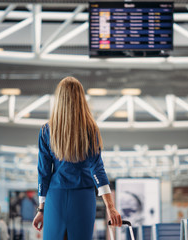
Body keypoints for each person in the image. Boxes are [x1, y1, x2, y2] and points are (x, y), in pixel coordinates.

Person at [32, 76, 122, 240]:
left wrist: (41, 209)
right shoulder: (90, 129)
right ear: (81, 99)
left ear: (58, 99)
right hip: (83, 197)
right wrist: (110, 207)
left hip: (55, 197)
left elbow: (43, 172)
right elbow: (97, 168)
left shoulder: (47, 131)